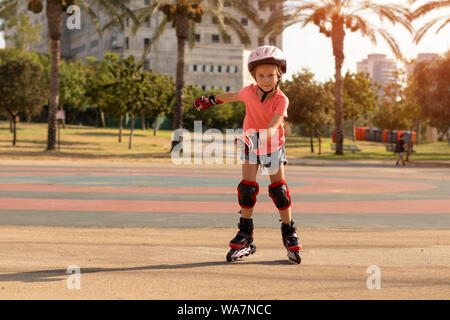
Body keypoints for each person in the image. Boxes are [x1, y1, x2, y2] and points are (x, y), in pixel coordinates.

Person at [192, 45, 302, 264]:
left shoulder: (282, 99)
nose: (266, 79)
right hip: (250, 145)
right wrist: (211, 99)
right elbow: (232, 96)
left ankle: (288, 230)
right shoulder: (249, 92)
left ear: (279, 73)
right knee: (246, 188)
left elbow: (273, 127)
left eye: (271, 74)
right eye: (261, 75)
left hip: (271, 146)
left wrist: (255, 137)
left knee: (279, 190)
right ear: (254, 75)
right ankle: (245, 233)